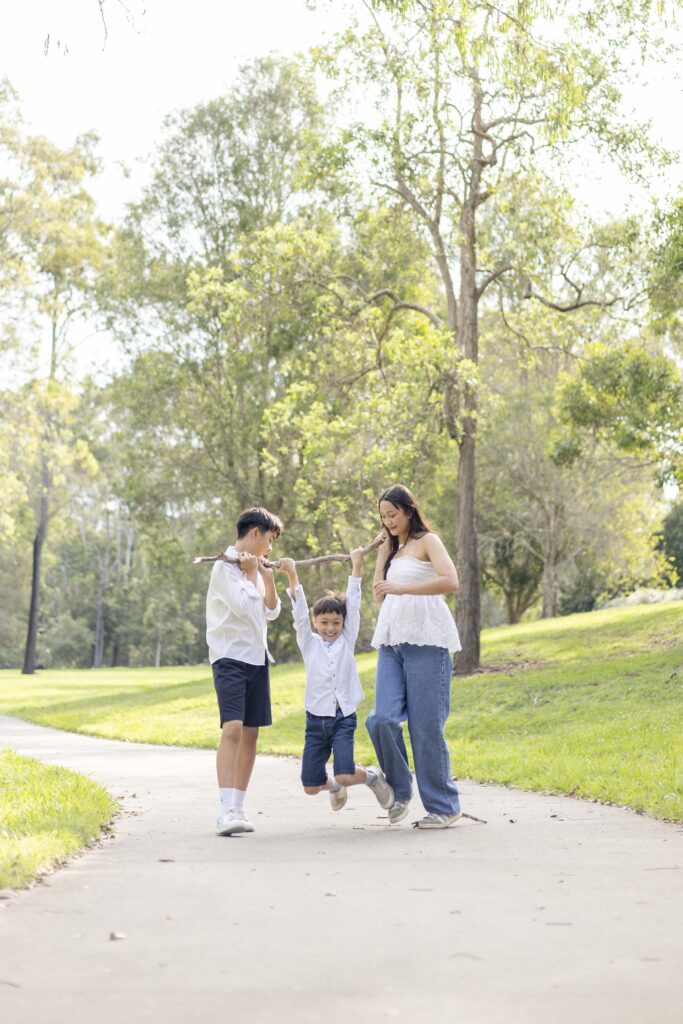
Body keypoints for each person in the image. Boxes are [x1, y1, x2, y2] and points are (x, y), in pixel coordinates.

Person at [366, 484, 463, 829]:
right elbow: (380, 596)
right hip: (392, 641)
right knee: (381, 719)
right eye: (383, 517)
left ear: (408, 510)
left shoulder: (428, 542)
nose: (388, 521)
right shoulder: (395, 550)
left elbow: (450, 580)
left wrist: (402, 587)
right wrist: (381, 555)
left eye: (393, 514)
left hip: (427, 640)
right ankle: (400, 792)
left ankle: (444, 806)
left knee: (425, 728)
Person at [278, 549, 394, 814]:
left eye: (336, 623)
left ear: (344, 623)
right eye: (325, 622)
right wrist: (292, 573)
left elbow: (352, 603)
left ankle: (372, 777)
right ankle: (334, 788)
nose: (330, 628)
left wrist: (357, 566)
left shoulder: (346, 640)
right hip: (315, 720)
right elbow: (298, 612)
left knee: (344, 772)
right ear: (315, 622)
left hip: (343, 717)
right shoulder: (309, 643)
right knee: (310, 785)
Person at [206, 506, 284, 837]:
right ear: (255, 533)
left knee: (251, 732)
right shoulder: (225, 566)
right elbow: (241, 606)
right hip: (229, 657)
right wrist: (252, 574)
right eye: (269, 540)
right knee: (233, 728)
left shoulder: (254, 567)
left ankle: (239, 804)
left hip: (257, 658)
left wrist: (266, 576)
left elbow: (271, 611)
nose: (270, 549)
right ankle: (225, 810)